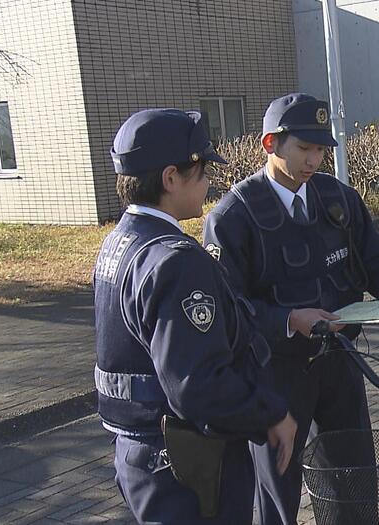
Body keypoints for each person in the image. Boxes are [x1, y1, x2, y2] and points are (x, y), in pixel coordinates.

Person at [203, 93, 379, 524]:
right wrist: (286, 320)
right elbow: (229, 306)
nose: (314, 160)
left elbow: (377, 257)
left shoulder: (338, 197)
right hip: (274, 373)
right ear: (270, 144)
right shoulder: (232, 217)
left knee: (353, 476)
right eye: (304, 148)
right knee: (277, 490)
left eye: (321, 149)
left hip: (339, 360)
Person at [94, 108, 297, 524]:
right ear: (170, 178)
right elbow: (197, 384)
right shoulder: (175, 261)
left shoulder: (119, 243)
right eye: (201, 171)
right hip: (186, 466)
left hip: (138, 451)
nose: (208, 182)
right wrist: (271, 412)